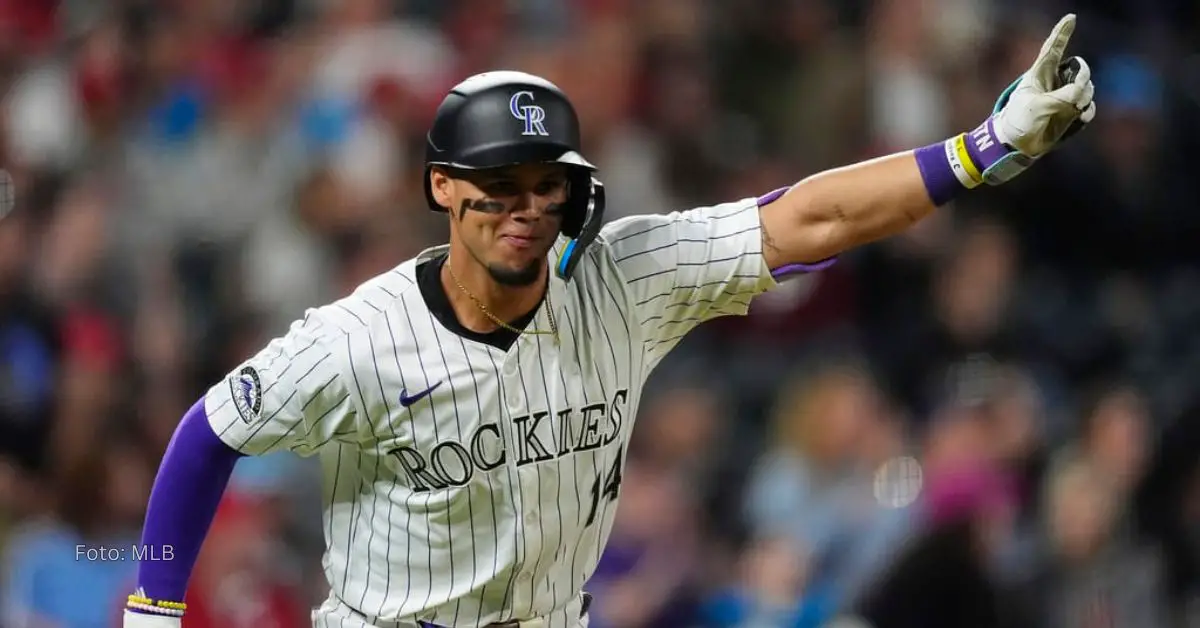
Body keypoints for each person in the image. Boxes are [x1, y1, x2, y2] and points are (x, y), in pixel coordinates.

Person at [123, 14, 1097, 628]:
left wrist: (980, 150)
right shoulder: (358, 339)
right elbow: (210, 430)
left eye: (544, 185)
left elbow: (808, 213)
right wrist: (153, 603)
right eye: (496, 186)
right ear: (441, 188)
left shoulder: (626, 276)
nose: (523, 208)